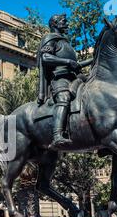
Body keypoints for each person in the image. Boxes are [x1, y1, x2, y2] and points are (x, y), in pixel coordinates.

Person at [37, 13, 93, 150]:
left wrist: (95, 58)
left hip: (74, 79)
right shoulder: (50, 38)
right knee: (64, 98)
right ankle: (57, 135)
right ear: (55, 24)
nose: (67, 24)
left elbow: (77, 65)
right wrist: (67, 62)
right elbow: (45, 58)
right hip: (60, 79)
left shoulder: (66, 43)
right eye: (63, 21)